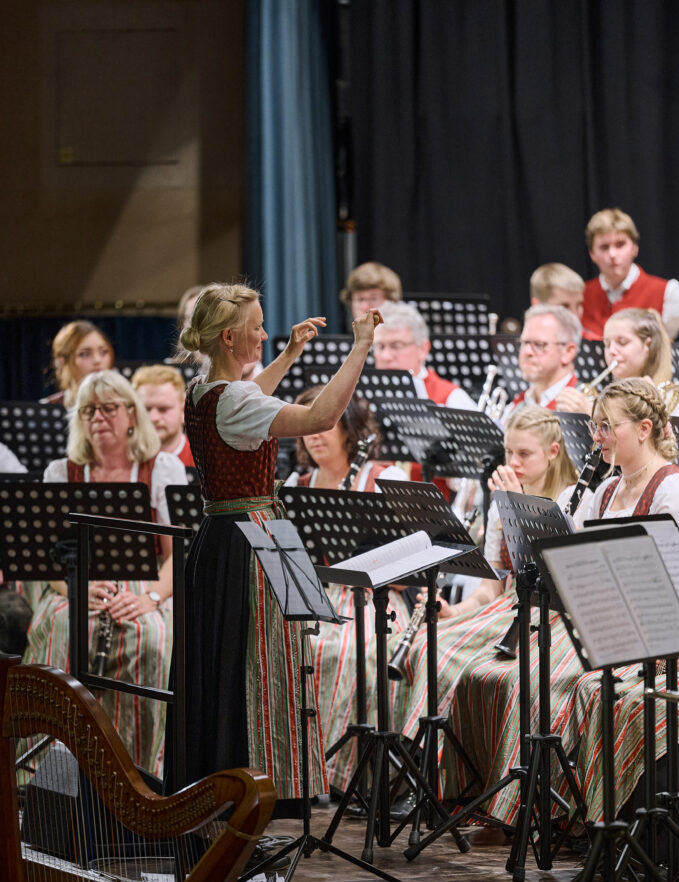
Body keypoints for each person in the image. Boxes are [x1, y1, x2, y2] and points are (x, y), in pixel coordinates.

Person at [178, 281, 382, 814]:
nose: (266, 334)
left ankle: (220, 798)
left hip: (222, 535)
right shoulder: (236, 399)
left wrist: (291, 354)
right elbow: (320, 418)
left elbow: (251, 402)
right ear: (229, 337)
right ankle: (257, 798)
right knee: (258, 672)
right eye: (257, 329)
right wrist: (359, 347)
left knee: (226, 671)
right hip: (255, 538)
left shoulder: (205, 392)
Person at [447, 378, 679, 828]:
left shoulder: (671, 489)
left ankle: (551, 814)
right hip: (598, 626)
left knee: (533, 690)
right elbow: (557, 559)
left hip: (647, 637)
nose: (596, 438)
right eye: (595, 426)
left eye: (608, 427)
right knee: (501, 675)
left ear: (646, 428)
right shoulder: (603, 491)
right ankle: (502, 805)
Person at [22, 369, 187, 776]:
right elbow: (48, 563)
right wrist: (77, 587)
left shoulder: (160, 467)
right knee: (62, 630)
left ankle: (135, 772)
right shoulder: (62, 471)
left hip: (146, 586)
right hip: (76, 586)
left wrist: (150, 599)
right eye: (88, 410)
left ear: (132, 414)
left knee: (148, 638)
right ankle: (47, 772)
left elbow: (174, 556)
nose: (97, 418)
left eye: (108, 408)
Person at [395, 408, 580, 763]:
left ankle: (443, 765)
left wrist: (518, 506)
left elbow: (555, 572)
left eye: (524, 453)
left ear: (554, 452)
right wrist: (454, 611)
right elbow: (490, 586)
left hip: (551, 614)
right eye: (509, 452)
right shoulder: (501, 498)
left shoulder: (572, 497)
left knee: (460, 661)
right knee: (426, 645)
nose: (512, 461)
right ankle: (427, 765)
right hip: (505, 607)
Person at [285, 388, 411, 792]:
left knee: (352, 652)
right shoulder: (297, 482)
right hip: (314, 595)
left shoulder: (384, 478)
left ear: (351, 429)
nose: (315, 434)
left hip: (376, 598)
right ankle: (298, 770)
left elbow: (412, 562)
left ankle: (346, 776)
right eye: (308, 424)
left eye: (327, 422)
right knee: (289, 646)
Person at [581, 207, 679, 341]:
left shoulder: (668, 292)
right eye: (604, 247)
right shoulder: (580, 295)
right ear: (592, 254)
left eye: (620, 244)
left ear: (635, 248)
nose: (612, 254)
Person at [555, 307, 676, 414]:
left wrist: (591, 413)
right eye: (607, 344)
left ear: (647, 345)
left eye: (622, 342)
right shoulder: (604, 398)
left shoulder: (672, 398)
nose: (611, 350)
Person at [373, 301, 477, 409]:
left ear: (423, 349)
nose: (386, 356)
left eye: (396, 346)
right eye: (380, 347)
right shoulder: (362, 394)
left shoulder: (452, 398)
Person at [502, 305, 581, 422]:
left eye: (539, 344)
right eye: (524, 342)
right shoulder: (517, 405)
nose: (527, 352)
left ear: (568, 352)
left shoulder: (583, 406)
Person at [131, 364, 195, 466]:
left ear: (183, 410)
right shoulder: (120, 460)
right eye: (146, 409)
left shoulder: (204, 461)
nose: (153, 418)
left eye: (163, 409)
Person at [43, 320, 115, 407]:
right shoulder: (47, 408)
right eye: (85, 354)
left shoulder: (126, 403)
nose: (97, 360)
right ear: (63, 361)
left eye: (103, 352)